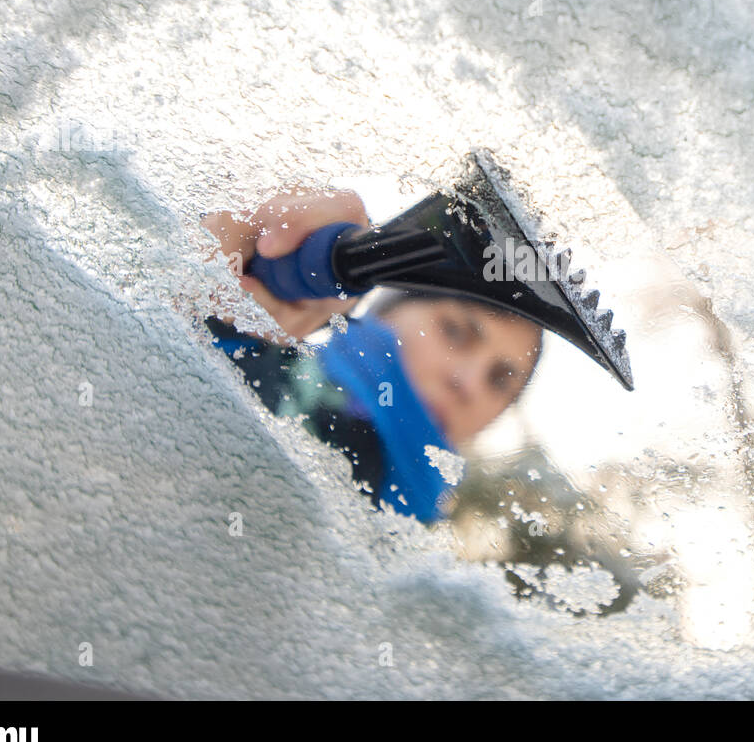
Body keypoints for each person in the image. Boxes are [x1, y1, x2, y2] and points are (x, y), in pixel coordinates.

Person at [200, 189, 543, 524]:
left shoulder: (419, 558)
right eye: (454, 332)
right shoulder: (257, 374)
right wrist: (218, 313)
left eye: (499, 381)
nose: (466, 382)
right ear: (388, 309)